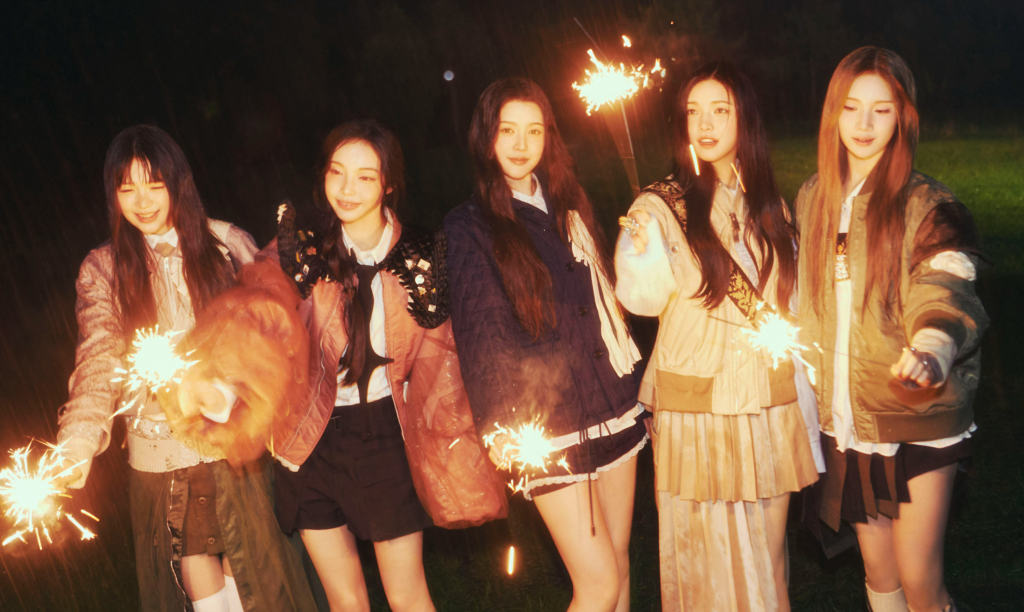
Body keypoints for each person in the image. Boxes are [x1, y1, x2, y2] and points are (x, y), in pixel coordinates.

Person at [165, 119, 505, 612]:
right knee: (345, 600)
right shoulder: (301, 248)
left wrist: (463, 442)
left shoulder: (421, 256)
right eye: (336, 172)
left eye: (365, 177)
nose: (347, 189)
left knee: (407, 596)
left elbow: (443, 360)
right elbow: (260, 313)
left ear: (389, 184)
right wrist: (221, 383)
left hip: (384, 436)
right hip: (309, 438)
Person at [56, 125, 317, 612]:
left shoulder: (226, 244)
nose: (143, 201)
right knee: (193, 569)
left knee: (254, 571)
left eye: (154, 184)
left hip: (232, 439)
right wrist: (77, 441)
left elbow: (271, 327)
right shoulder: (104, 268)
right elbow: (98, 355)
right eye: (127, 188)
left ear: (179, 182)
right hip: (160, 451)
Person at [615, 62, 820, 612]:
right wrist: (638, 254)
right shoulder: (662, 204)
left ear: (744, 119)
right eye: (693, 112)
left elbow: (791, 303)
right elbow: (642, 298)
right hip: (698, 404)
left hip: (768, 401)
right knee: (707, 561)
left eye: (720, 111)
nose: (704, 124)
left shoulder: (769, 204)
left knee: (767, 563)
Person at [794, 47, 988, 612]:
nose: (863, 123)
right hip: (851, 422)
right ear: (833, 113)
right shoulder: (812, 198)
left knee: (919, 579)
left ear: (903, 117)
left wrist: (932, 348)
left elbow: (946, 286)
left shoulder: (929, 205)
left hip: (918, 415)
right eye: (851, 107)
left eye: (881, 110)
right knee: (880, 577)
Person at [444, 78, 645, 612]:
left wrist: (642, 254)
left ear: (548, 137)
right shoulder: (470, 225)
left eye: (533, 131)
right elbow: (482, 333)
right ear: (486, 137)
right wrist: (501, 427)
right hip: (547, 426)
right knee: (598, 585)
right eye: (507, 130)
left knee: (619, 566)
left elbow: (606, 303)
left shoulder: (569, 204)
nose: (520, 143)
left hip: (612, 404)